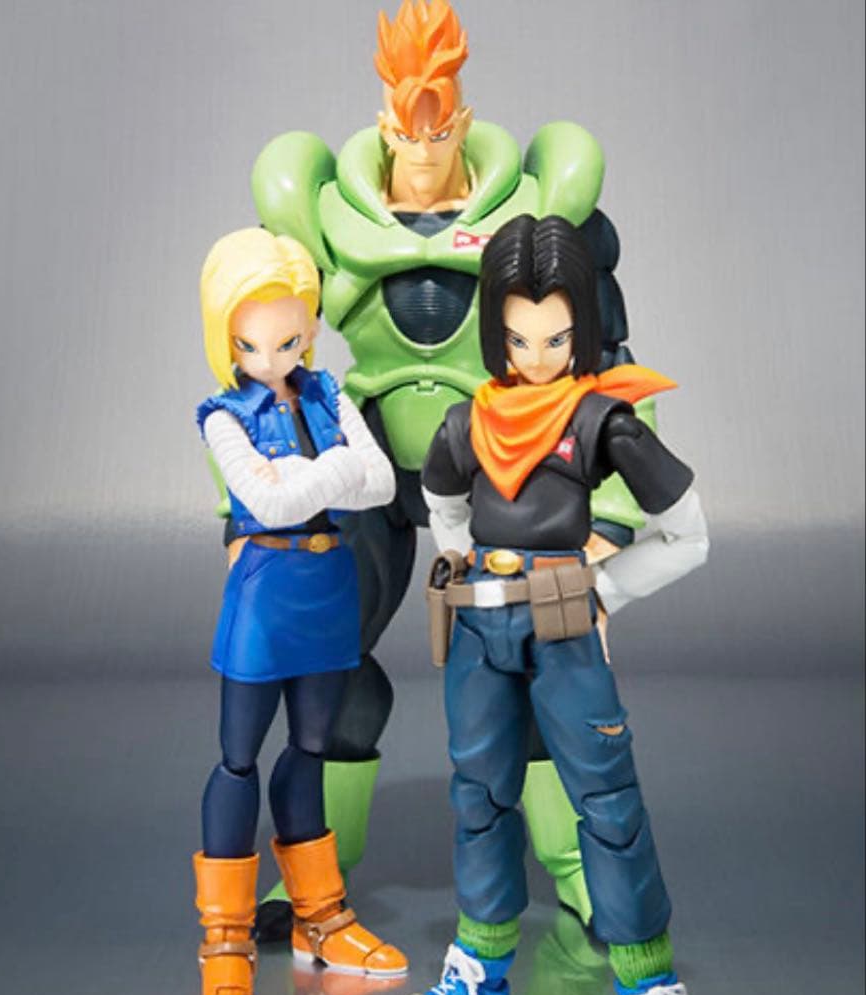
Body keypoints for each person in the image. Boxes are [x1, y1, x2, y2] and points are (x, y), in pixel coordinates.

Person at [250, 0, 652, 940]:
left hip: (503, 463)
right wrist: (248, 504)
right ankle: (313, 881)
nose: (424, 143)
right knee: (328, 662)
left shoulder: (538, 216)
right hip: (368, 465)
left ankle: (573, 866)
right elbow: (262, 362)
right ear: (383, 121)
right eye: (407, 123)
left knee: (543, 657)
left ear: (464, 119)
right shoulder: (325, 220)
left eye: (439, 123)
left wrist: (616, 512)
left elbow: (606, 361)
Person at [394, 215, 709, 995]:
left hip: (565, 623)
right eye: (519, 337)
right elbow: (441, 502)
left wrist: (604, 589)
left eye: (556, 338)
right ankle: (478, 968)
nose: (536, 357)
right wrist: (457, 561)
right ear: (495, 331)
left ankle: (649, 990)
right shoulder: (468, 421)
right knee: (479, 797)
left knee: (605, 802)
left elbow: (688, 534)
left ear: (583, 331)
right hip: (479, 630)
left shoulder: (601, 420)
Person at [192, 228, 406, 995]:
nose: (272, 357)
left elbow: (379, 486)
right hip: (265, 591)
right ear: (226, 339)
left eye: (287, 340)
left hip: (327, 583)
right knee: (238, 758)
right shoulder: (223, 414)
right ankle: (225, 932)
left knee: (312, 746)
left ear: (310, 327)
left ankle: (320, 914)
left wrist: (305, 476)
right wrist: (333, 472)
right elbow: (268, 502)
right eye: (251, 344)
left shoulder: (327, 394)